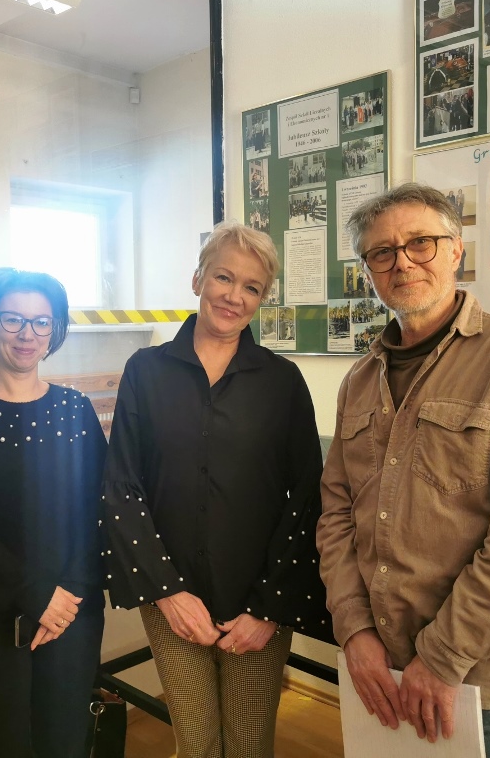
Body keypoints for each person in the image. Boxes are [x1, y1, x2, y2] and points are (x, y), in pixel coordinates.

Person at [318, 183, 490, 757]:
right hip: (380, 669)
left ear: (456, 249)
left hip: (482, 683)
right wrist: (354, 629)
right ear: (367, 271)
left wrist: (442, 656)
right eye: (382, 252)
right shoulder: (359, 380)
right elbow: (337, 514)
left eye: (421, 242)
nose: (402, 262)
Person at [102, 223, 330, 758]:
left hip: (257, 600)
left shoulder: (282, 382)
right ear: (198, 279)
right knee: (197, 744)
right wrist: (167, 594)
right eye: (224, 277)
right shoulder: (146, 372)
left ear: (262, 299)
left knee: (249, 745)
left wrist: (269, 608)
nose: (234, 296)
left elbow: (306, 499)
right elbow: (121, 485)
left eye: (252, 287)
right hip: (172, 596)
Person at [0, 268, 107, 757]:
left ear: (54, 330)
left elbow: (99, 509)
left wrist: (69, 594)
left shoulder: (76, 410)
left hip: (70, 614)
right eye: (12, 319)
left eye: (41, 322)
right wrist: (34, 594)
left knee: (64, 740)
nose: (27, 334)